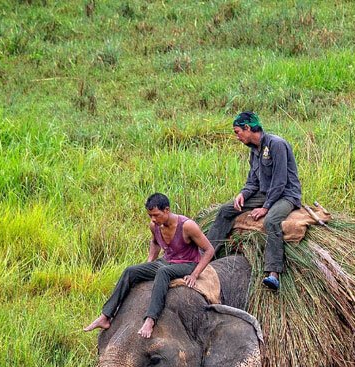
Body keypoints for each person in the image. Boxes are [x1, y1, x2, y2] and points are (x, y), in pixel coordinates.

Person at [83, 193, 215, 338]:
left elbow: (209, 250)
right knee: (130, 271)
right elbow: (155, 242)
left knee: (163, 273)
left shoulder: (187, 226)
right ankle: (105, 316)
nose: (153, 219)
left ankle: (150, 319)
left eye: (156, 215)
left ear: (167, 210)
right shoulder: (155, 226)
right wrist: (150, 261)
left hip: (187, 263)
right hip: (166, 260)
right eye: (150, 215)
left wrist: (195, 274)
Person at [205, 111, 302, 291]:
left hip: (285, 195)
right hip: (264, 193)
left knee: (272, 221)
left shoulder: (276, 145)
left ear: (248, 128)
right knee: (225, 210)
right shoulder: (254, 151)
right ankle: (207, 254)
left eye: (237, 132)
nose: (237, 137)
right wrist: (243, 194)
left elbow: (280, 181)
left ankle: (273, 273)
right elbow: (253, 181)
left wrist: (265, 208)